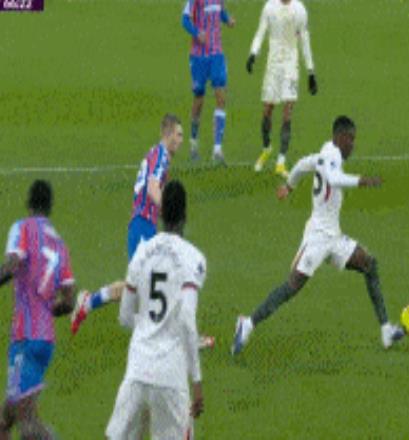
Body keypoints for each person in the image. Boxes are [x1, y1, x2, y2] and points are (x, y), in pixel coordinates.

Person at [232, 116, 404, 355]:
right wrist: (362, 181)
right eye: (351, 139)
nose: (353, 145)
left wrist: (289, 186)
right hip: (317, 238)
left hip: (333, 237)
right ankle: (247, 324)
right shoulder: (332, 156)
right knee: (292, 286)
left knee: (369, 264)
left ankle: (386, 330)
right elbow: (333, 179)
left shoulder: (326, 154)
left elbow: (302, 164)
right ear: (340, 137)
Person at [106, 180, 205, 440]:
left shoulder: (142, 253)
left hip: (137, 370)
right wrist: (197, 380)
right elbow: (187, 319)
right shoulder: (193, 259)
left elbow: (125, 317)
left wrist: (147, 328)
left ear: (160, 213)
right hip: (171, 378)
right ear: (185, 214)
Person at [70, 114, 183, 334]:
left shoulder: (157, 155)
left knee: (141, 283)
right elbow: (152, 188)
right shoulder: (160, 155)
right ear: (168, 134)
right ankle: (171, 332)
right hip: (142, 225)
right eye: (178, 135)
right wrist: (169, 212)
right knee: (146, 283)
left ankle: (88, 303)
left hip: (144, 226)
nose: (180, 140)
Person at [0, 180, 75, 440]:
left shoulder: (22, 228)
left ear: (29, 203)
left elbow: (11, 265)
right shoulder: (59, 244)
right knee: (5, 419)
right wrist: (47, 309)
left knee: (27, 423)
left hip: (25, 338)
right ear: (50, 207)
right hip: (44, 340)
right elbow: (69, 300)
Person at [247, 0, 317, 178]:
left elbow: (305, 40)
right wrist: (253, 53)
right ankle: (266, 149)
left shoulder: (300, 10)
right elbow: (260, 32)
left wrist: (311, 71)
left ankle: (281, 161)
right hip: (273, 65)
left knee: (288, 111)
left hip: (290, 66)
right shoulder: (269, 7)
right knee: (267, 110)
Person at [182, 0, 235, 165]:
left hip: (216, 54)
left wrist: (228, 19)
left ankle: (217, 149)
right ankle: (193, 143)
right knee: (199, 99)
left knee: (221, 96)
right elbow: (185, 20)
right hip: (198, 56)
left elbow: (220, 12)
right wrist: (196, 32)